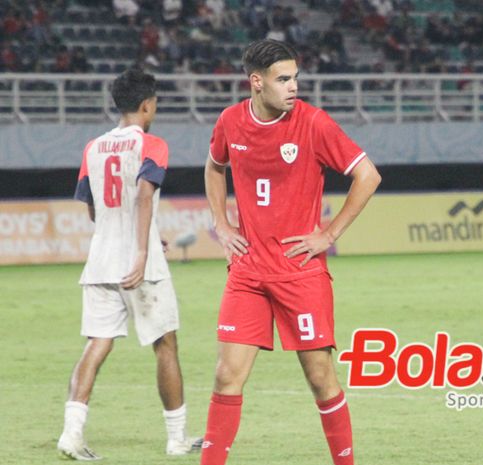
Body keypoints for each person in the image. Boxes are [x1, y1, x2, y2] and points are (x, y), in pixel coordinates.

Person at [201, 39, 381, 465]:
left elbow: (368, 176)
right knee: (227, 376)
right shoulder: (229, 121)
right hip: (248, 272)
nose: (293, 87)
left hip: (300, 273)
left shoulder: (314, 123)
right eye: (284, 79)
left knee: (320, 379)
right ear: (256, 83)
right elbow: (213, 167)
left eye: (296, 78)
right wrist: (222, 223)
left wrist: (328, 234)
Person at [58, 68, 201, 461]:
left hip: (101, 259)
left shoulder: (93, 147)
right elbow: (141, 197)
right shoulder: (152, 143)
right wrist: (142, 250)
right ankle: (176, 439)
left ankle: (71, 434)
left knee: (96, 344)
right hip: (141, 264)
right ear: (146, 105)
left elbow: (93, 209)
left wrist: (144, 236)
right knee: (166, 345)